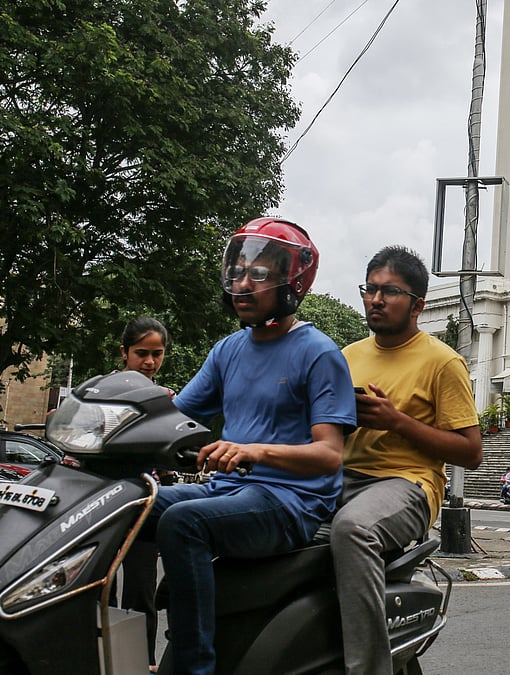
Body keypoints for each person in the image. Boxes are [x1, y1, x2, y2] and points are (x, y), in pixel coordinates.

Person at [146, 218, 358, 674]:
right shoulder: (228, 350)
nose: (243, 284)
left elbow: (329, 455)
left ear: (292, 281)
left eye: (258, 274)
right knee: (125, 507)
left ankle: (193, 664)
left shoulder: (319, 353)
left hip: (289, 502)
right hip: (226, 493)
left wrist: (253, 450)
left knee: (183, 523)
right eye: (238, 271)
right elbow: (174, 420)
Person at [330, 246, 482, 675]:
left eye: (389, 291)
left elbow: (470, 452)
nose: (376, 300)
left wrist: (397, 422)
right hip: (339, 476)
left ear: (418, 305)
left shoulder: (441, 362)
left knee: (354, 528)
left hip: (406, 484)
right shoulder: (346, 357)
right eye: (370, 289)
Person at [114, 317, 172, 670]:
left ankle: (139, 664)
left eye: (157, 354)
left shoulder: (166, 399)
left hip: (144, 508)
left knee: (140, 591)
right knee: (89, 586)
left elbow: (167, 463)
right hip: (102, 505)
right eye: (141, 353)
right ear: (124, 353)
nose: (149, 362)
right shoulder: (100, 391)